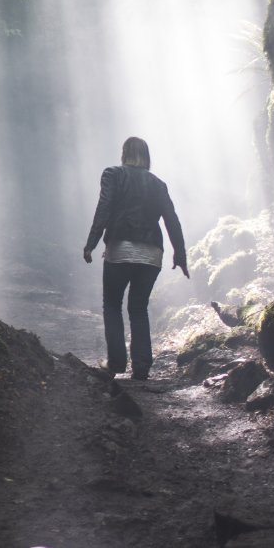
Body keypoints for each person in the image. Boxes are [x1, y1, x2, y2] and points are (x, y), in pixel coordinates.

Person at [82, 136, 188, 380]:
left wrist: (91, 243)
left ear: (124, 153)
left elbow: (104, 208)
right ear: (147, 156)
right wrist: (180, 255)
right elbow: (172, 220)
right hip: (152, 253)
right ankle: (141, 368)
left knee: (112, 305)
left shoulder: (113, 174)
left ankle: (116, 363)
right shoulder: (158, 184)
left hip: (120, 248)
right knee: (138, 308)